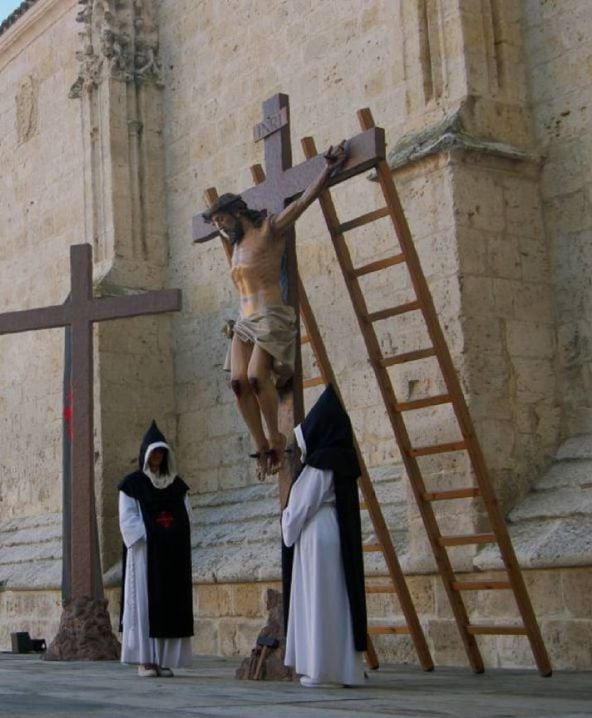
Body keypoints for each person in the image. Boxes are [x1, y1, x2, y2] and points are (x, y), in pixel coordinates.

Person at [202, 142, 347, 479]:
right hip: (244, 321)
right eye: (218, 224)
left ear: (238, 212)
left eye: (223, 220)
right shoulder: (234, 245)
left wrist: (326, 170)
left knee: (255, 377)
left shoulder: (269, 230)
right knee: (237, 384)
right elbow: (219, 235)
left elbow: (302, 203)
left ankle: (276, 437)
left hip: (270, 314)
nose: (222, 228)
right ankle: (261, 447)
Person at [281, 385, 367, 688]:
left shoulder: (319, 464)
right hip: (334, 531)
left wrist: (286, 524)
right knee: (337, 600)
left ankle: (319, 669)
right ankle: (343, 668)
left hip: (316, 533)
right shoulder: (343, 459)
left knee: (318, 600)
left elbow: (301, 506)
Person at [118, 421, 194, 678]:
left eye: (162, 453)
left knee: (168, 604)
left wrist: (171, 534)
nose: (158, 457)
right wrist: (153, 534)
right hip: (144, 555)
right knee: (145, 604)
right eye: (154, 453)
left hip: (171, 554)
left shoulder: (176, 486)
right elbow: (128, 520)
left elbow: (186, 516)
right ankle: (145, 660)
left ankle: (162, 659)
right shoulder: (132, 485)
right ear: (146, 455)